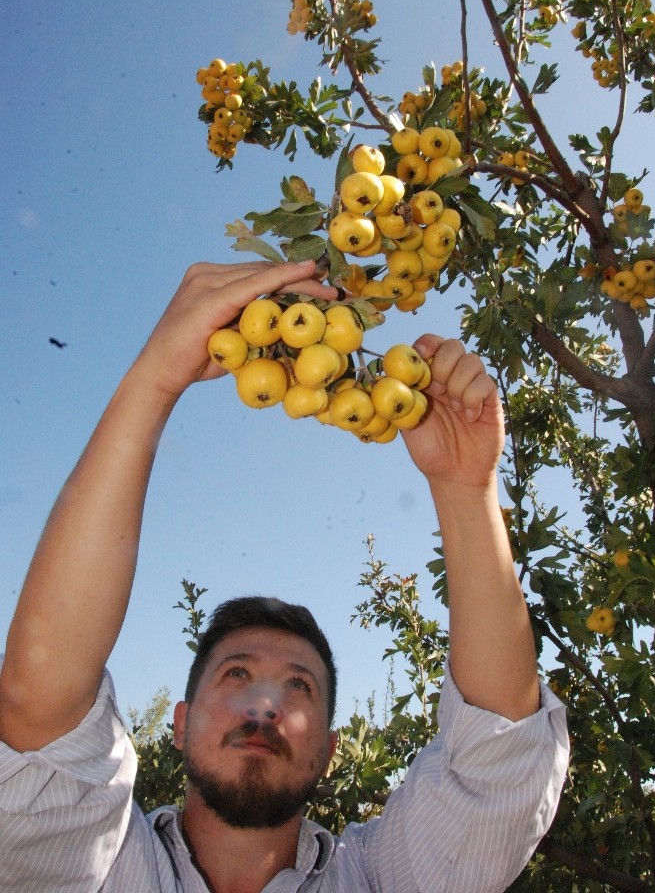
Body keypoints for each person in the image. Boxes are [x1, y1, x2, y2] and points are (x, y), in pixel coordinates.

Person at [0, 260, 569, 893]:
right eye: (237, 672)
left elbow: (499, 758)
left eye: (299, 687)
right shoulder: (95, 866)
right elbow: (36, 705)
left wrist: (466, 489)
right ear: (180, 723)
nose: (265, 706)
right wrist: (154, 380)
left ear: (329, 750)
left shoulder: (382, 877)